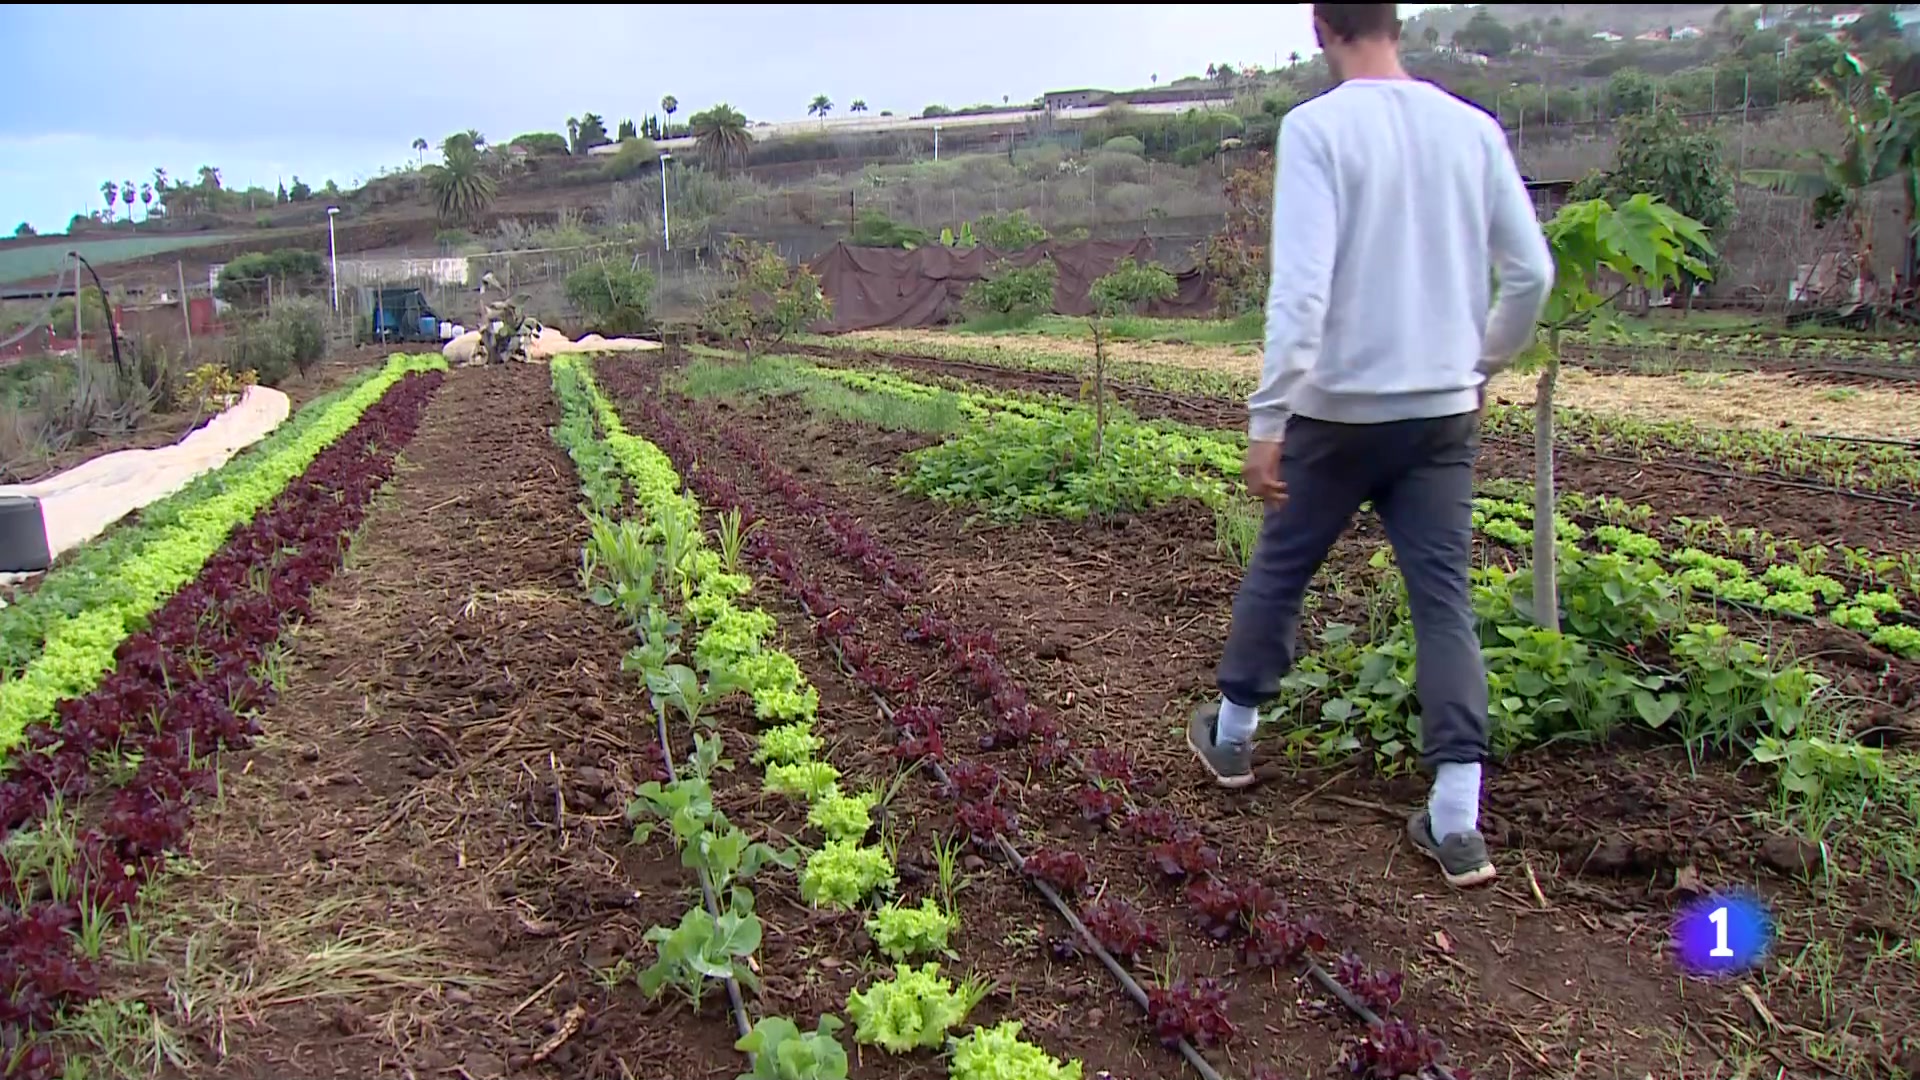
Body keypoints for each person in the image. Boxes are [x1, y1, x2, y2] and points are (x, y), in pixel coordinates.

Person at [1184, 3, 1555, 890]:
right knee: (1443, 599)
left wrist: (1268, 419)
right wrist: (1479, 362)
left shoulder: (1317, 129)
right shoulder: (1472, 129)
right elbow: (1532, 274)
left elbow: (1300, 294)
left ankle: (1232, 739)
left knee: (1283, 565)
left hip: (1337, 414)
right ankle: (1457, 819)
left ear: (1322, 28)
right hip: (1440, 415)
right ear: (1397, 23)